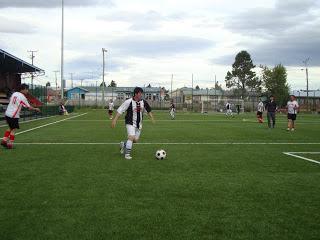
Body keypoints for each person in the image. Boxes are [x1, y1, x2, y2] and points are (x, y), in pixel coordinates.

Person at [111, 87, 155, 160]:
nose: (141, 95)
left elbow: (148, 110)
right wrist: (114, 120)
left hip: (139, 124)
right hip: (130, 122)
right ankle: (127, 154)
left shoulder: (143, 102)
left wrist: (152, 118)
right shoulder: (129, 102)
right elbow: (120, 111)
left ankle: (123, 144)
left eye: (142, 93)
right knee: (131, 136)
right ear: (136, 94)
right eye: (140, 93)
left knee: (135, 140)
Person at [1, 84, 41, 149]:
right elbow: (29, 107)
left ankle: (4, 140)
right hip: (13, 115)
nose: (27, 91)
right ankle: (10, 144)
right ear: (23, 89)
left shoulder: (14, 93)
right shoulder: (22, 97)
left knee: (10, 127)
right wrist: (36, 109)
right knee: (13, 129)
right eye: (26, 89)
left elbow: (12, 100)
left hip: (7, 113)